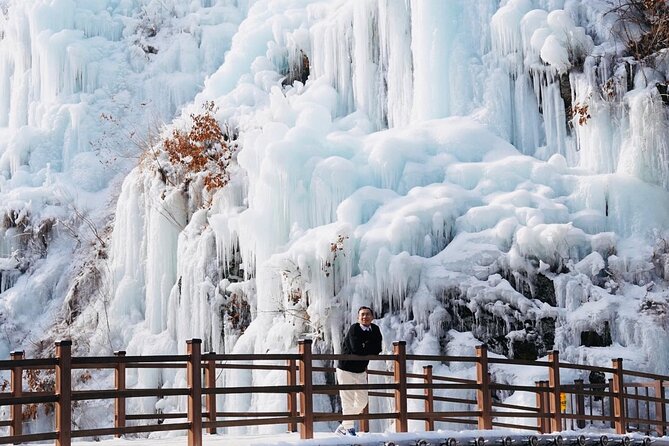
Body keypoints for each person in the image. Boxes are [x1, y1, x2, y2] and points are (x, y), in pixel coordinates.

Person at [335, 306, 383, 436]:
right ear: (358, 317)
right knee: (348, 400)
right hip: (346, 369)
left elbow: (378, 349)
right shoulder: (354, 329)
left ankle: (343, 425)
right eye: (362, 314)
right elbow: (356, 349)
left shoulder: (375, 329)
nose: (365, 317)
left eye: (367, 314)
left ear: (372, 317)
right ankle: (349, 429)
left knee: (363, 401)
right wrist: (368, 346)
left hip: (361, 370)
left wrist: (365, 346)